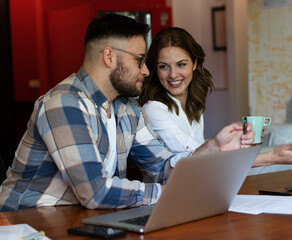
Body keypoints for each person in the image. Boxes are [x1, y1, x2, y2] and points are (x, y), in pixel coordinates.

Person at [0, 14, 255, 212]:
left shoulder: (128, 110)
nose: (146, 71)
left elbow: (164, 166)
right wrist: (170, 193)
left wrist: (213, 148)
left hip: (84, 219)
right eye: (139, 60)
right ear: (109, 57)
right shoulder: (64, 104)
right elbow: (96, 192)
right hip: (26, 223)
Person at [139, 27, 292, 166]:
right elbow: (197, 158)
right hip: (166, 198)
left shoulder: (194, 105)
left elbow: (205, 155)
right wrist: (271, 157)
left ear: (194, 63)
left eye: (181, 64)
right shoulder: (153, 109)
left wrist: (237, 143)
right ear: (155, 69)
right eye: (164, 66)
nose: (173, 74)